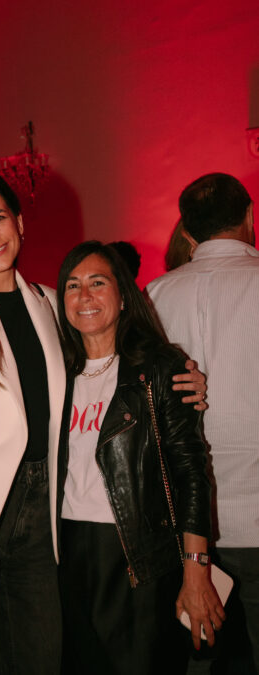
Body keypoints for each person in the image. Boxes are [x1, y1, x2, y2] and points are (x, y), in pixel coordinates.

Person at [0, 167, 207, 675]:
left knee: (40, 658)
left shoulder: (49, 304)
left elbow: (112, 359)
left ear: (19, 222)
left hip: (41, 515)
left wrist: (182, 378)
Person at [56, 240, 224, 675]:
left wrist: (197, 571)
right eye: (72, 285)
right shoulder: (54, 373)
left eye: (98, 282)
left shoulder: (159, 368)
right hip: (66, 554)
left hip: (138, 556)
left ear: (123, 295)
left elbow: (191, 473)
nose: (84, 295)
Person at [147, 173, 259, 674]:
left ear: (188, 232)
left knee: (195, 659)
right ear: (249, 216)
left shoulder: (153, 296)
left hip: (185, 524)